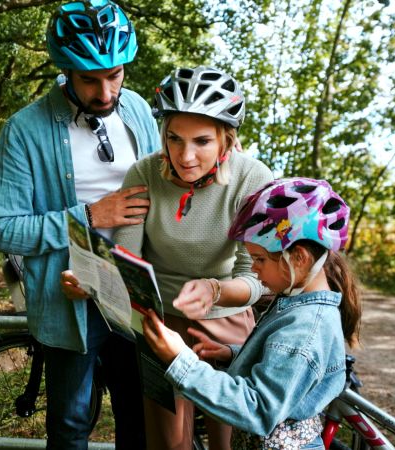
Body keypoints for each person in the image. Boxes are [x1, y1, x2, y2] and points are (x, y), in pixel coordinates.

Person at [0, 1, 159, 448]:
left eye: (114, 75)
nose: (105, 92)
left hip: (134, 288)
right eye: (89, 79)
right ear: (64, 69)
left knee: (139, 418)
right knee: (70, 425)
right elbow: (5, 229)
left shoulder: (138, 109)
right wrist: (89, 217)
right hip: (69, 297)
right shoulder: (24, 130)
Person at [113, 66, 274, 450]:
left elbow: (255, 276)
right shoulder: (144, 173)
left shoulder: (253, 179)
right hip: (160, 320)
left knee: (228, 440)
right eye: (174, 139)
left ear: (227, 140)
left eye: (202, 141)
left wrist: (214, 291)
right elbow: (126, 256)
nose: (185, 156)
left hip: (227, 317)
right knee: (168, 443)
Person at [141, 177, 363, 450]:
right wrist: (232, 354)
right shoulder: (296, 303)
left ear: (299, 258)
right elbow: (281, 366)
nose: (254, 269)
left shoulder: (305, 327)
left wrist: (181, 361)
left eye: (259, 259)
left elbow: (258, 409)